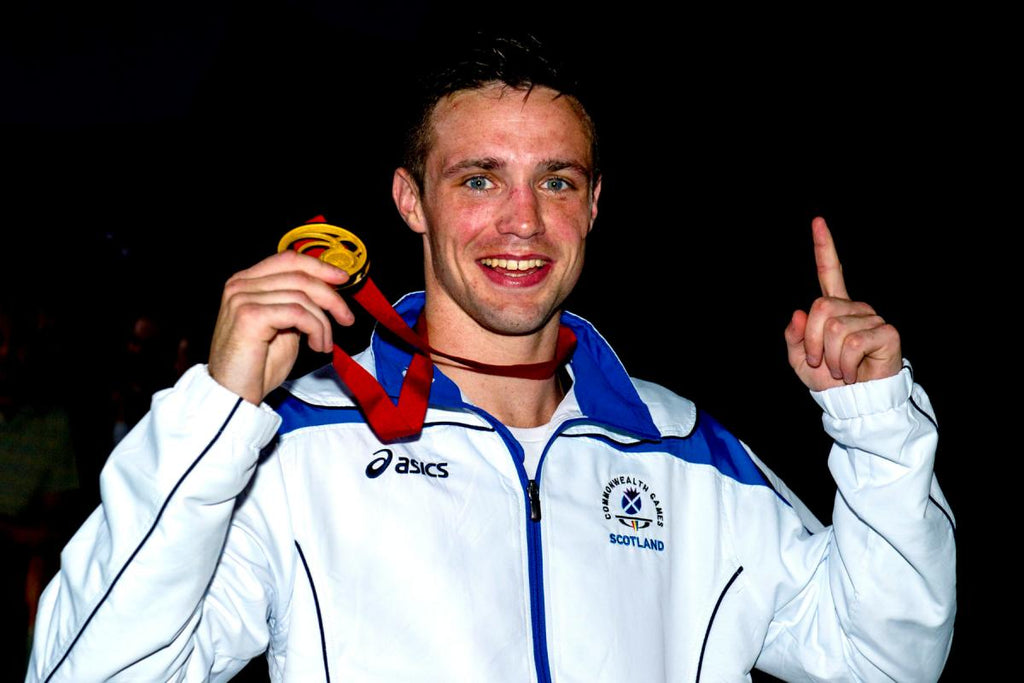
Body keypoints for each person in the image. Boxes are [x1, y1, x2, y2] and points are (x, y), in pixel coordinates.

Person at [26, 33, 955, 682]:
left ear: (592, 205)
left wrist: (876, 428)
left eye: (556, 180)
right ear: (410, 199)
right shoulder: (294, 445)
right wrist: (217, 412)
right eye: (479, 179)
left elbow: (886, 656)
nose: (523, 221)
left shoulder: (684, 447)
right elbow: (90, 670)